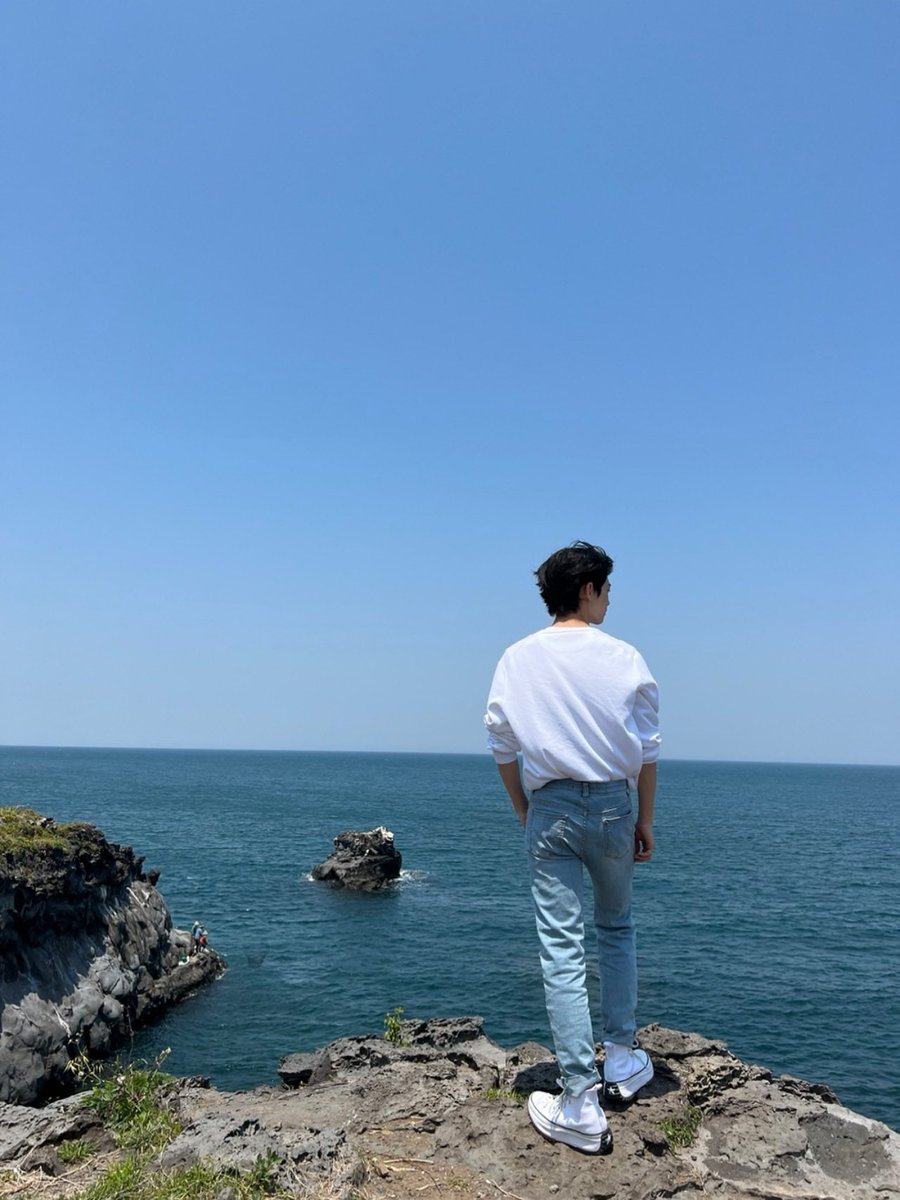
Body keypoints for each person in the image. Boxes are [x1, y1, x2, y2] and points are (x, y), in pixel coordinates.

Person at [484, 541, 660, 1155]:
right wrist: (645, 820)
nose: (610, 599)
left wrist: (524, 810)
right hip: (614, 805)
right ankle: (622, 1057)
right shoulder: (624, 657)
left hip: (550, 807)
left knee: (561, 949)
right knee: (617, 928)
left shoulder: (517, 658)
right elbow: (648, 750)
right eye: (606, 589)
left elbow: (502, 744)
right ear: (587, 589)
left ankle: (579, 1100)